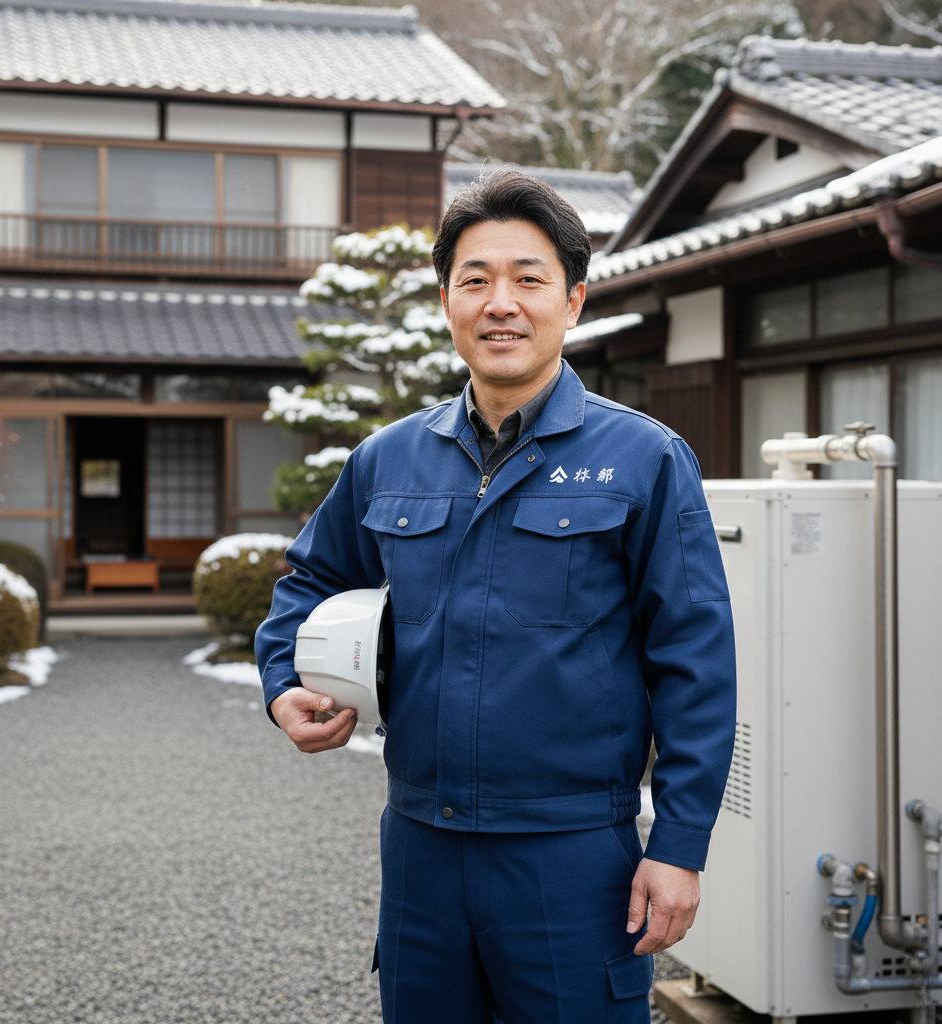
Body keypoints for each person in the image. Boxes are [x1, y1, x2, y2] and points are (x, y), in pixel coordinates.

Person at [255, 169, 736, 1024]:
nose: (500, 303)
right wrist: (283, 683)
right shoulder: (388, 459)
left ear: (574, 300)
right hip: (420, 847)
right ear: (447, 301)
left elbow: (694, 662)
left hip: (574, 850)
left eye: (528, 278)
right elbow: (312, 578)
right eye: (475, 280)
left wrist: (680, 846)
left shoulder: (645, 460)